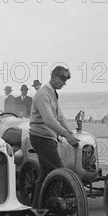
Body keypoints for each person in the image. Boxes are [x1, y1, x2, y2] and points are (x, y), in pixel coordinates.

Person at [29, 66, 81, 207]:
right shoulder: (42, 94)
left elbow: (59, 116)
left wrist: (70, 133)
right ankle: (54, 205)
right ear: (55, 78)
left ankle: (37, 208)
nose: (64, 84)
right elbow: (49, 120)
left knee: (45, 174)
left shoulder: (52, 93)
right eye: (63, 81)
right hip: (41, 138)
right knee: (59, 171)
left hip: (47, 138)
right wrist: (65, 135)